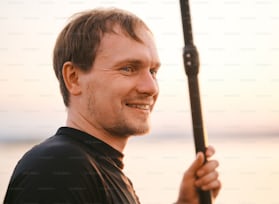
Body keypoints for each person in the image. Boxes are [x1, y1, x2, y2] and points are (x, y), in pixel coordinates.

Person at [4, 8, 221, 204]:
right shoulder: (58, 169)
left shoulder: (104, 172)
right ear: (74, 78)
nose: (151, 87)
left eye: (153, 72)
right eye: (128, 68)